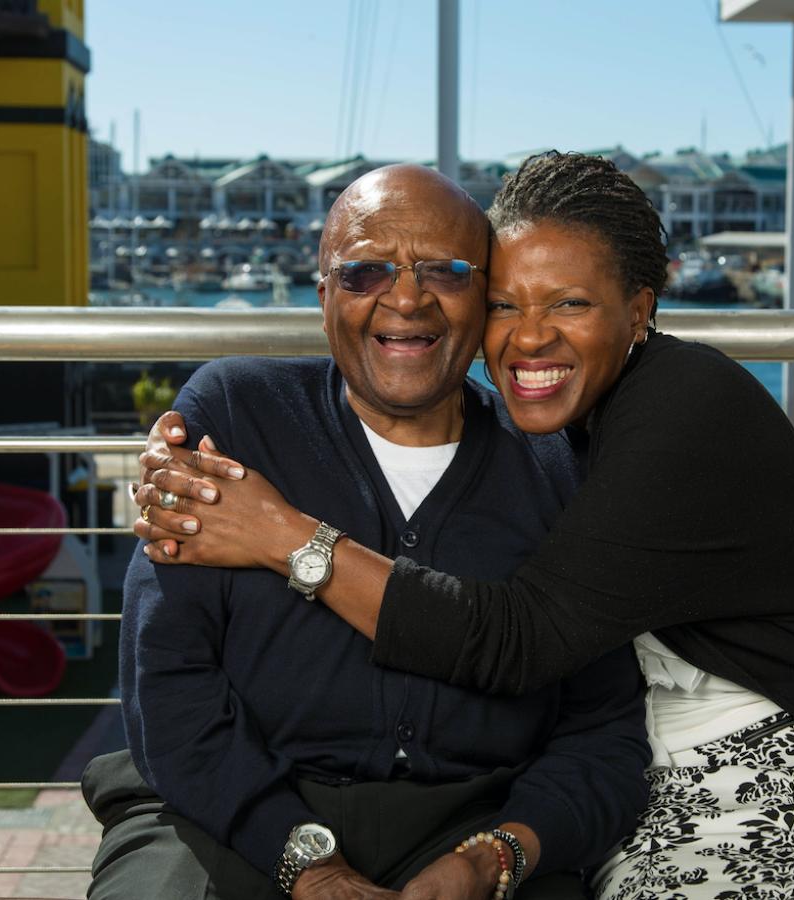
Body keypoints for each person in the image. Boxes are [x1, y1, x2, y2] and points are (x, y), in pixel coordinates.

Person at [136, 152, 794, 897]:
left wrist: (286, 536)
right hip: (686, 775)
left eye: (569, 303)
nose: (529, 338)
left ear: (640, 312)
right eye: (507, 303)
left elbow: (522, 641)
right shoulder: (553, 435)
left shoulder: (682, 410)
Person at [93, 163, 651, 900]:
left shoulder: (555, 466)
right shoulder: (235, 416)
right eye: (365, 272)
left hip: (476, 826)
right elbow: (167, 688)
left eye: (445, 272)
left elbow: (602, 727)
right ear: (324, 295)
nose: (407, 297)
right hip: (227, 809)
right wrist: (308, 867)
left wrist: (500, 855)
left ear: (485, 296)